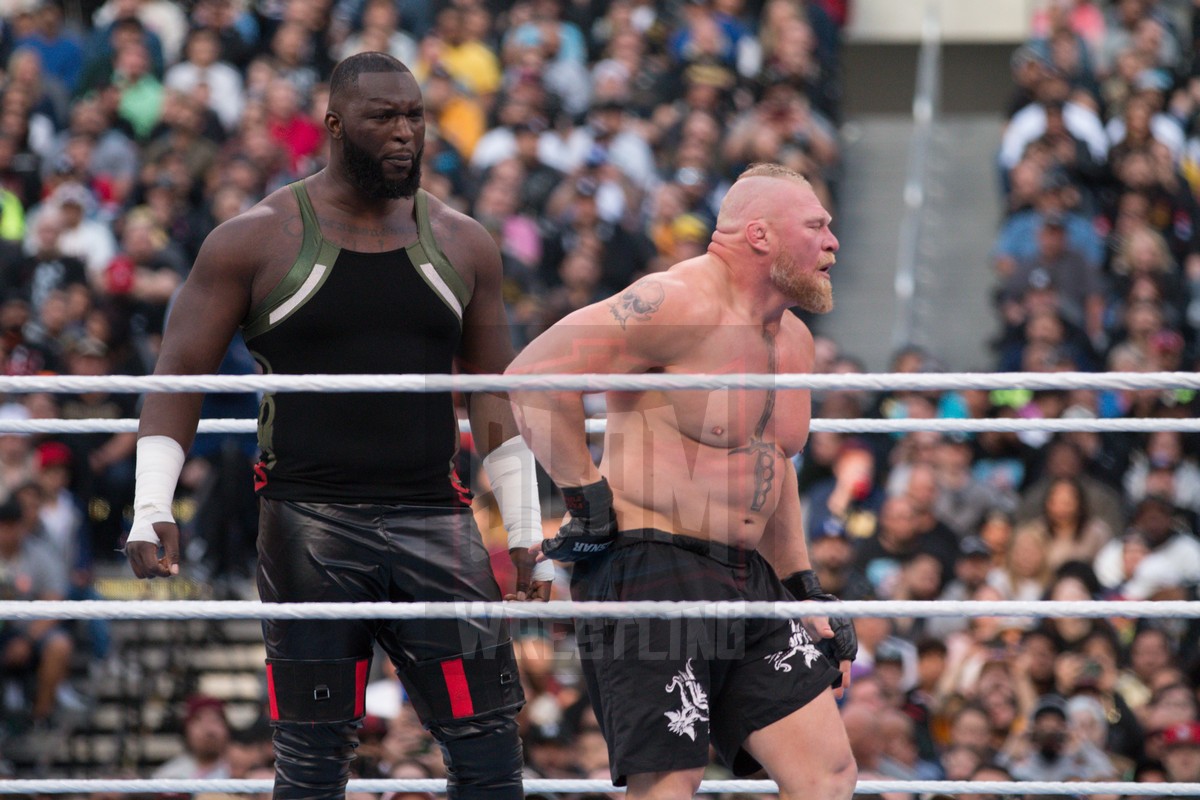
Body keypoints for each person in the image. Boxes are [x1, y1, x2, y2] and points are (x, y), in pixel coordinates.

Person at [125, 52, 553, 800]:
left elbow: (492, 394)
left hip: (436, 518)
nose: (406, 134)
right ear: (333, 126)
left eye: (416, 116)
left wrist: (523, 526)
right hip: (307, 521)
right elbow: (177, 376)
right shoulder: (253, 240)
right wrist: (150, 505)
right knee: (315, 759)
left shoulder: (463, 242)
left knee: (488, 746)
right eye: (383, 117)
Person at [507, 163, 858, 800]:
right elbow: (534, 375)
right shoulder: (677, 301)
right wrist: (587, 498)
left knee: (828, 775)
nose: (834, 242)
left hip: (750, 577)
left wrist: (803, 586)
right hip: (653, 563)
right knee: (668, 784)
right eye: (817, 227)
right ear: (761, 235)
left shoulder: (795, 342)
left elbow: (773, 465)